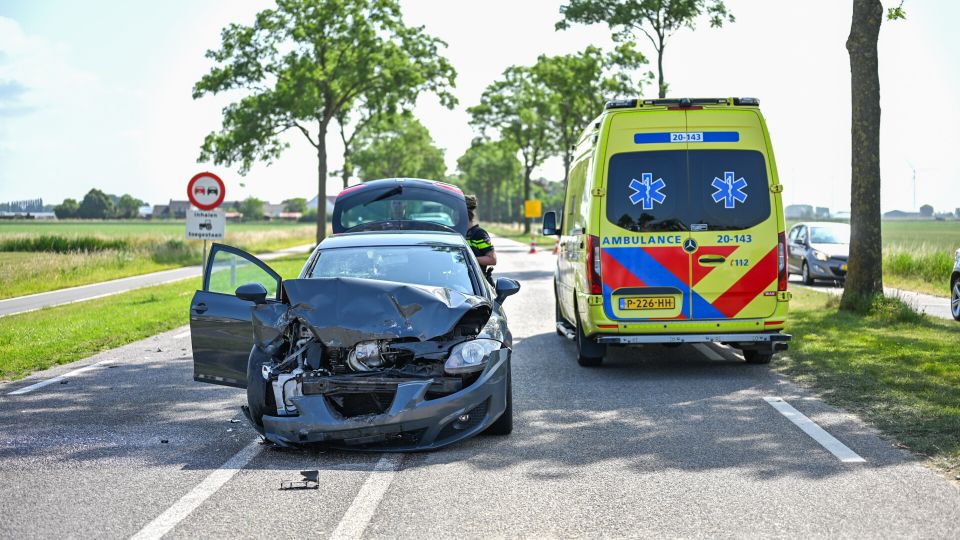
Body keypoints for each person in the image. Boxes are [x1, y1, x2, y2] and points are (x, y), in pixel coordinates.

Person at [463, 195, 497, 282]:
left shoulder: (479, 234)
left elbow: (492, 259)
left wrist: (467, 259)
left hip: (476, 282)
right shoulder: (455, 233)